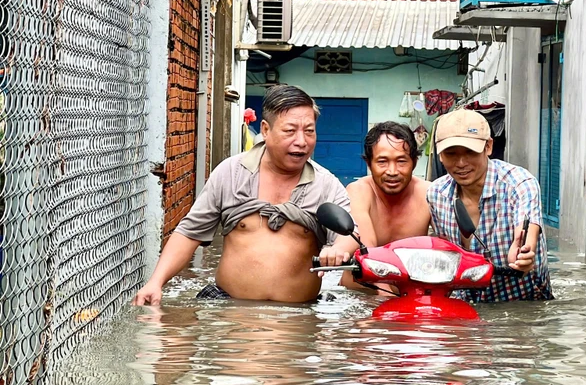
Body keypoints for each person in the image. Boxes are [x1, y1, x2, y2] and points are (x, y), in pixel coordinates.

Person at [132, 84, 352, 305]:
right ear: (265, 130)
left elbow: (351, 234)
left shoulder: (326, 184)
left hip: (298, 314)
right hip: (229, 311)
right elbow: (190, 232)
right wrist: (156, 282)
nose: (301, 141)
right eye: (290, 130)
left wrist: (339, 249)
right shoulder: (231, 173)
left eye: (309, 131)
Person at [426, 109, 553, 303]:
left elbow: (528, 230)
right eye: (451, 154)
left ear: (488, 147)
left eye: (470, 152)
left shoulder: (519, 183)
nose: (461, 163)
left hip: (523, 305)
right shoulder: (436, 194)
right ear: (440, 155)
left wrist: (524, 253)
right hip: (465, 305)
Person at [320, 122, 432, 294]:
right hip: (364, 292)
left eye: (401, 161)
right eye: (382, 162)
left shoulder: (429, 194)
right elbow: (368, 254)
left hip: (412, 290)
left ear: (414, 162)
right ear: (369, 163)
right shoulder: (359, 191)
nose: (392, 171)